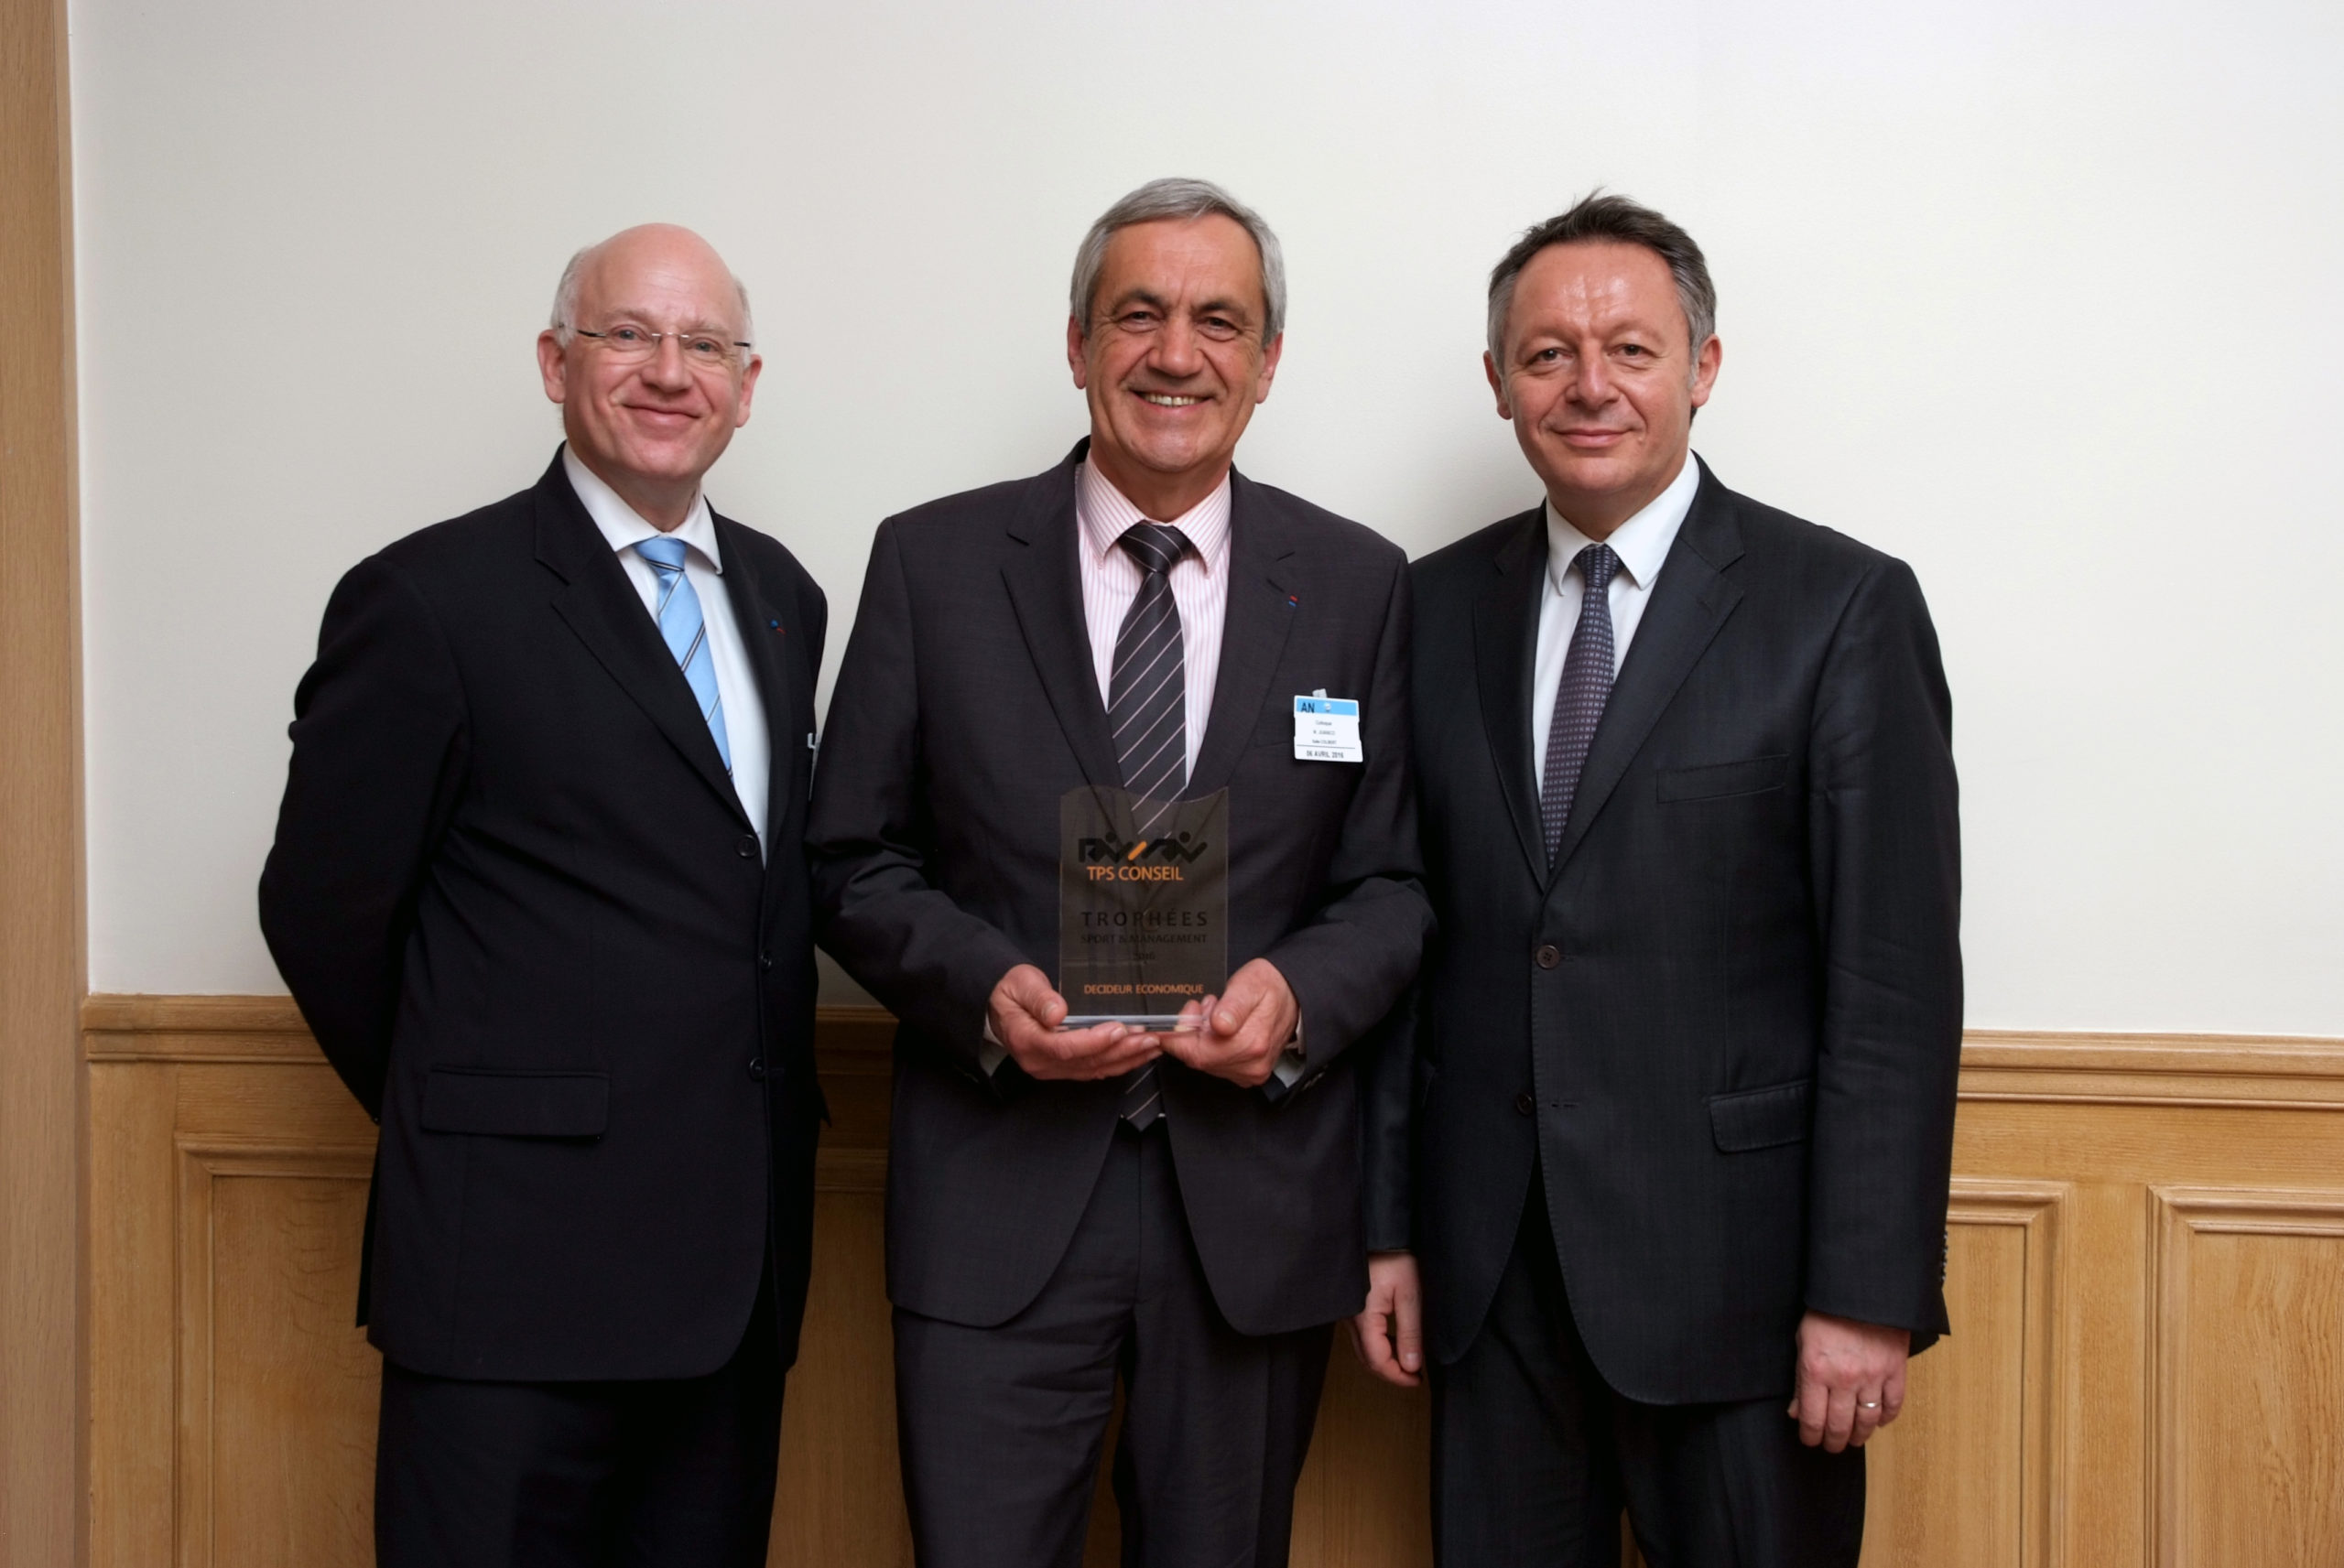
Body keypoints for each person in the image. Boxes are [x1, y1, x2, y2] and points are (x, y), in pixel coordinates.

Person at [808, 178, 1431, 1568]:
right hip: (997, 1199)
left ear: (1269, 360)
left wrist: (1295, 996)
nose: (1176, 353)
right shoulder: (933, 563)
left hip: (1250, 1211)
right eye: (1138, 314)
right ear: (1079, 342)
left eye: (1221, 321)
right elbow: (848, 855)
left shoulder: (1356, 583)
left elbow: (1392, 887)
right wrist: (985, 989)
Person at [1350, 193, 1962, 1566]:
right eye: (1548, 353)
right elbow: (1401, 934)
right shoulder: (1428, 608)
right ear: (1499, 382)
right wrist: (1388, 1228)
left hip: (1748, 1297)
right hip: (1489, 1283)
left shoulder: (1842, 608)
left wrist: (1865, 1295)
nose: (1590, 385)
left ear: (1704, 366)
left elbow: (1892, 987)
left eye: (1630, 348)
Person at [258, 223, 827, 1568]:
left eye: (705, 344)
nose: (669, 371)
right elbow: (323, 913)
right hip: (509, 1282)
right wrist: (478, 1115)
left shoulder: (784, 598)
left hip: (730, 1287)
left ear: (747, 385)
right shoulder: (428, 599)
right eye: (628, 334)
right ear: (554, 361)